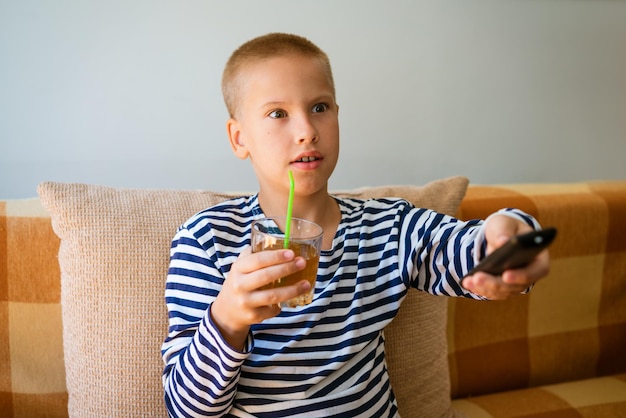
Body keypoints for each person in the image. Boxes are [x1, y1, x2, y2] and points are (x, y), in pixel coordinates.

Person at [161, 32, 550, 417]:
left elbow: (470, 249)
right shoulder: (207, 240)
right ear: (239, 137)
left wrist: (510, 238)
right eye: (277, 113)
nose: (306, 131)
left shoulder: (389, 228)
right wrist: (227, 319)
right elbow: (186, 410)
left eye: (319, 107)